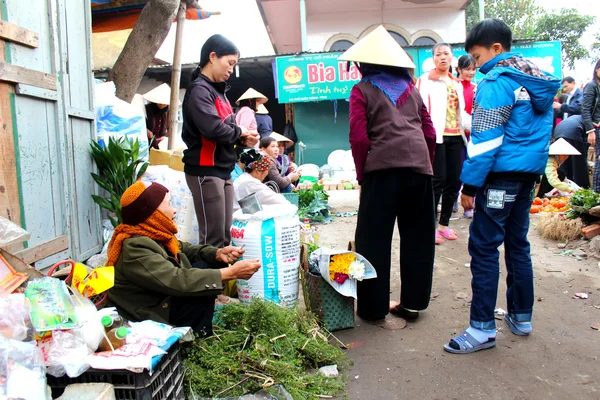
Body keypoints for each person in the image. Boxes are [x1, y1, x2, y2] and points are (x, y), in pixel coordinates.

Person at [444, 19, 560, 354]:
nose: (476, 66)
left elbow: (484, 141)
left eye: (477, 57)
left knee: (483, 248)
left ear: (496, 49)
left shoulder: (497, 80)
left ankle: (481, 330)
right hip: (528, 176)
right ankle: (521, 317)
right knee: (518, 244)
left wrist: (469, 186)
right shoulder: (535, 79)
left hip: (500, 177)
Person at [340, 25, 436, 323]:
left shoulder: (362, 90)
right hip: (419, 172)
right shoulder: (413, 91)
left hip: (381, 173)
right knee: (419, 238)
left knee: (373, 241)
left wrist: (361, 174)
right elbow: (429, 133)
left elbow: (359, 138)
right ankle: (413, 305)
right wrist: (424, 165)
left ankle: (373, 309)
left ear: (364, 63)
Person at [106, 181, 261, 336]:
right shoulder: (135, 247)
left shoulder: (154, 234)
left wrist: (218, 253)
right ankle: (197, 337)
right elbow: (175, 280)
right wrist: (231, 273)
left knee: (208, 263)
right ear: (152, 213)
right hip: (145, 312)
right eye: (168, 204)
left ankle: (200, 321)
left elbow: (185, 249)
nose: (174, 210)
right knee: (201, 292)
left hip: (159, 296)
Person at [182, 34, 259, 248]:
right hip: (205, 169)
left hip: (223, 169)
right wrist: (240, 130)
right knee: (212, 241)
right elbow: (213, 129)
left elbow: (227, 130)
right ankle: (208, 280)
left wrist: (244, 139)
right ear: (213, 57)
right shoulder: (199, 90)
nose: (231, 70)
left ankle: (222, 281)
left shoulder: (219, 93)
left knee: (225, 237)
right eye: (230, 63)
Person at [416, 43, 471, 244]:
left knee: (454, 181)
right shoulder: (424, 81)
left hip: (456, 136)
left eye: (446, 54)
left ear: (452, 57)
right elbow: (419, 109)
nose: (442, 57)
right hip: (435, 137)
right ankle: (430, 228)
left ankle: (444, 225)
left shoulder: (456, 82)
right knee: (436, 181)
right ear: (433, 59)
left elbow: (461, 111)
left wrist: (472, 126)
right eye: (438, 54)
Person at [456, 54, 477, 218]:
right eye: (467, 69)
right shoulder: (453, 86)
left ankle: (468, 206)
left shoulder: (476, 88)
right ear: (459, 69)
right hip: (456, 133)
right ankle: (453, 199)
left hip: (472, 134)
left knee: (470, 167)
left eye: (473, 69)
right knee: (457, 168)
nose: (470, 72)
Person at [553, 115, 590, 188]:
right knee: (579, 164)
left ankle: (564, 185)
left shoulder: (579, 117)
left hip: (558, 132)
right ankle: (583, 188)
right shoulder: (589, 122)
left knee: (564, 161)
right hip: (573, 132)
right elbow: (585, 144)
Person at [143, 83, 178, 149]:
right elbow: (140, 124)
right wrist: (146, 130)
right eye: (160, 103)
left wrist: (165, 136)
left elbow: (170, 128)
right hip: (147, 143)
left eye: (164, 104)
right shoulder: (146, 110)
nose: (162, 105)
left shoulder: (168, 112)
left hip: (161, 144)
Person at [583, 60, 600, 191]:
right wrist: (590, 130)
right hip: (596, 128)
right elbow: (585, 109)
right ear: (597, 69)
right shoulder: (592, 86)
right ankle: (597, 192)